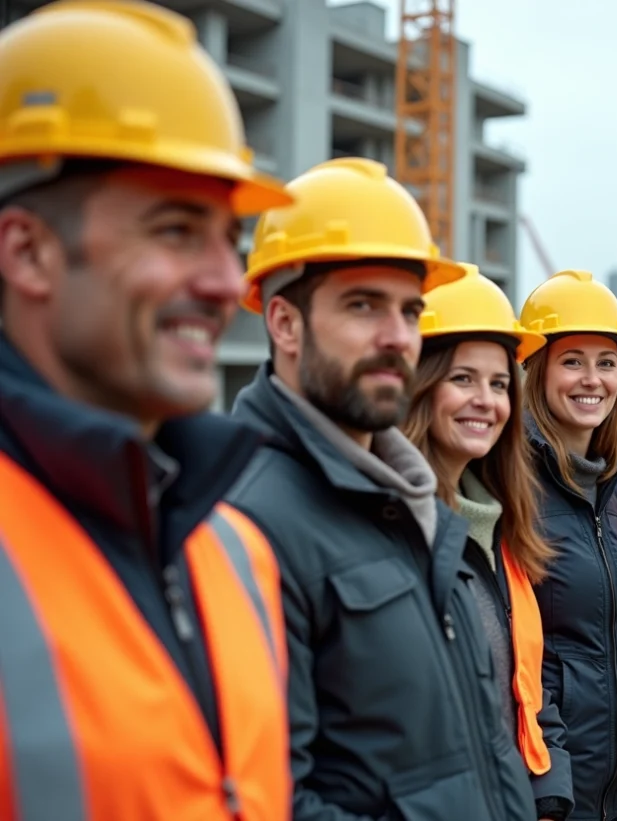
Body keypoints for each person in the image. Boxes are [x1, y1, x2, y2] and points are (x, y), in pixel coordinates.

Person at [0, 2, 294, 819]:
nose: (221, 282)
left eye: (225, 238)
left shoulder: (232, 547)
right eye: (174, 231)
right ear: (27, 251)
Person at [223, 156, 538, 821]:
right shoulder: (246, 518)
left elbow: (480, 745)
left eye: (410, 309)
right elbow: (273, 799)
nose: (399, 336)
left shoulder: (413, 504)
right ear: (283, 323)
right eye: (363, 305)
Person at [401, 265, 575, 821]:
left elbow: (525, 683)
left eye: (499, 384)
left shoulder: (501, 526)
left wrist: (550, 792)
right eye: (462, 379)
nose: (486, 400)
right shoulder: (397, 526)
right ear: (418, 382)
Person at [519, 270, 617, 821]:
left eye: (606, 362)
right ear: (537, 371)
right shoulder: (513, 485)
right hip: (553, 784)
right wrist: (550, 783)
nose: (592, 379)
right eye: (572, 360)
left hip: (615, 782)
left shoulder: (607, 483)